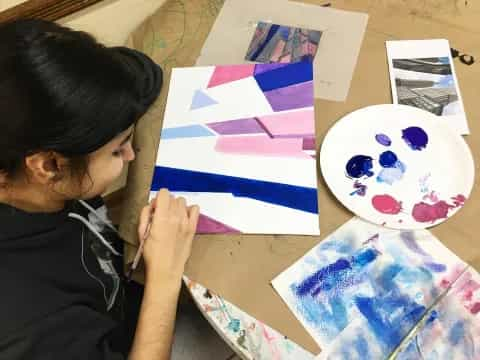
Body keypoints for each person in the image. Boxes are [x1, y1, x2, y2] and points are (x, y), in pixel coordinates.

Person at [0, 18, 199, 360]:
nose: (131, 154)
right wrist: (165, 277)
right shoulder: (30, 320)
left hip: (119, 296)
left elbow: (143, 73)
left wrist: (97, 86)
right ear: (49, 166)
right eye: (118, 149)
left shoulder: (21, 121)